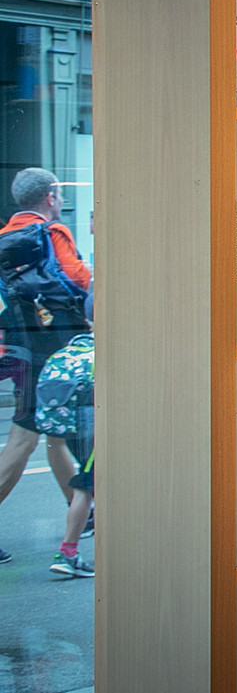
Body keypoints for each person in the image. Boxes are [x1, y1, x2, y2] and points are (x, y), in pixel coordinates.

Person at [0, 168, 87, 566]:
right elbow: (79, 280)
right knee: (24, 439)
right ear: (51, 197)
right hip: (56, 349)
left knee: (54, 433)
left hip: (22, 350)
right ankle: (81, 513)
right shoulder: (52, 234)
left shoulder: (5, 239)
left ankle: (80, 510)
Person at [34, 292, 92, 579]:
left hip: (69, 428)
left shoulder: (69, 352)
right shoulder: (104, 354)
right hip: (93, 426)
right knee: (88, 485)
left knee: (89, 482)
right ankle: (67, 552)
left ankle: (70, 551)